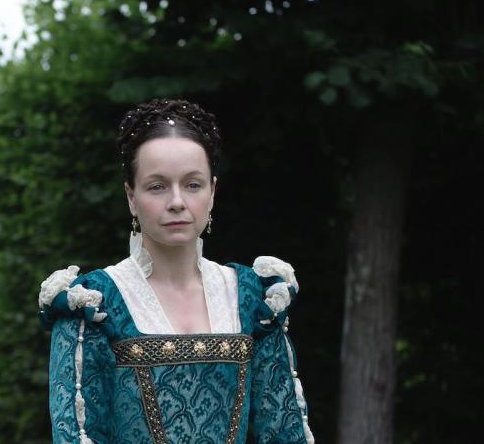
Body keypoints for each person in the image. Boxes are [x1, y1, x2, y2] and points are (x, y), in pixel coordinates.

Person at [39, 99, 314, 444]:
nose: (176, 202)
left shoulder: (252, 297)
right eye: (157, 186)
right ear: (131, 197)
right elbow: (76, 435)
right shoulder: (94, 303)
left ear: (212, 192)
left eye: (192, 184)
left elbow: (284, 433)